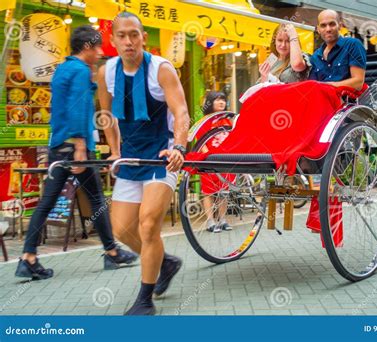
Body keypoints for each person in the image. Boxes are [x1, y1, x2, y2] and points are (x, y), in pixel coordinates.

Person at [15, 26, 138, 281]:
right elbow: (78, 109)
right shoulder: (81, 71)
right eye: (97, 47)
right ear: (86, 47)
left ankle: (28, 257)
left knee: (48, 201)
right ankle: (112, 253)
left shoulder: (62, 69)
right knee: (95, 200)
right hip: (74, 148)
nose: (100, 52)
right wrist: (80, 146)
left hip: (58, 144)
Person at [97, 12, 190, 315]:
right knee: (122, 230)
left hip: (162, 156)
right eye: (122, 36)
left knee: (148, 225)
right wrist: (113, 150)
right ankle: (166, 263)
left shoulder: (160, 69)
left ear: (143, 37)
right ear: (112, 40)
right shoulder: (106, 72)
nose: (128, 41)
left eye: (134, 34)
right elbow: (107, 116)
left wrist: (178, 147)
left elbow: (181, 112)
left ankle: (144, 300)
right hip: (130, 157)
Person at [200, 91, 234, 233]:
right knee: (208, 191)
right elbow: (201, 141)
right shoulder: (205, 120)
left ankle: (222, 219)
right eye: (217, 100)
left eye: (223, 100)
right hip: (209, 159)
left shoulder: (227, 120)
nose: (221, 102)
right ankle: (210, 221)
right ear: (210, 102)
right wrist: (207, 157)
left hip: (225, 159)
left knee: (224, 190)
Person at [309, 9, 366, 90]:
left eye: (332, 24)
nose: (328, 29)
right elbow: (312, 87)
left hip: (346, 100)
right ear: (318, 29)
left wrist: (328, 86)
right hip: (320, 99)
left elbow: (358, 83)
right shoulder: (315, 56)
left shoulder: (352, 45)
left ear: (340, 26)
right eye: (323, 25)